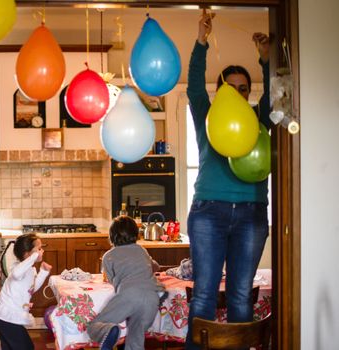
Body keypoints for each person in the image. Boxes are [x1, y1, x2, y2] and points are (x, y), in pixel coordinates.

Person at [184, 9, 271, 349]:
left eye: (244, 88)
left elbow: (275, 96)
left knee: (240, 297)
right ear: (220, 90)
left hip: (251, 214)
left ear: (249, 93)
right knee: (203, 295)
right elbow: (193, 87)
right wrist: (201, 41)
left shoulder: (258, 119)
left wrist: (265, 61)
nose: (238, 91)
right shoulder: (208, 117)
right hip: (208, 213)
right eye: (230, 87)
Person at [87, 216, 165, 350]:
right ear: (136, 233)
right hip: (153, 297)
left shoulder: (108, 256)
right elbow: (155, 267)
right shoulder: (142, 250)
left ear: (112, 236)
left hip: (129, 295)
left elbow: (111, 280)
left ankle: (108, 331)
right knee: (136, 338)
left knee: (96, 325)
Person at [0, 233, 52, 350]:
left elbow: (31, 289)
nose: (41, 251)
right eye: (38, 249)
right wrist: (33, 257)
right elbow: (17, 274)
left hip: (6, 317)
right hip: (6, 317)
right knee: (26, 347)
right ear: (27, 254)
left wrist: (43, 272)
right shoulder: (16, 267)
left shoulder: (30, 269)